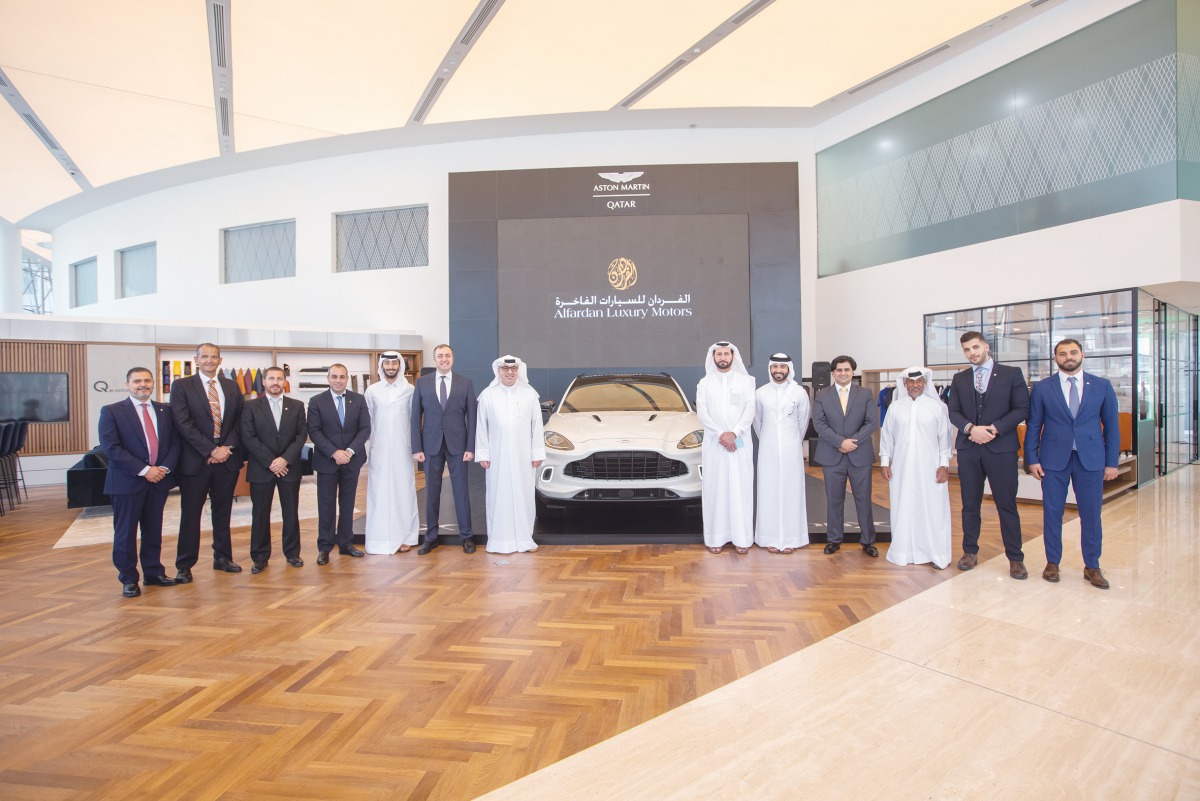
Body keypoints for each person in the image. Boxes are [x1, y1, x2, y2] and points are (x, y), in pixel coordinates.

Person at [1025, 338, 1120, 589]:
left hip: (1091, 459)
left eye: (1073, 352)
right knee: (1053, 513)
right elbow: (1034, 425)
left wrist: (1112, 462)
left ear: (1082, 355)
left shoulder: (1101, 386)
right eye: (1063, 353)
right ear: (1055, 358)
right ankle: (1052, 563)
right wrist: (1031, 458)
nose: (1069, 357)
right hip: (1053, 460)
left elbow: (1112, 427)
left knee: (1091, 515)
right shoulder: (1043, 387)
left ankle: (1092, 565)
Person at [947, 331, 1030, 579]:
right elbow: (954, 412)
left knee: (1007, 504)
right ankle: (969, 551)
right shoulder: (959, 378)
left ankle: (1015, 557)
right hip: (969, 448)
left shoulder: (1011, 373)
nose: (972, 352)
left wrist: (993, 429)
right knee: (969, 504)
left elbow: (1022, 408)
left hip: (1001, 448)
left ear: (986, 347)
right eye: (966, 350)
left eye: (975, 347)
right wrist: (972, 429)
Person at [98, 367, 181, 597]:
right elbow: (111, 448)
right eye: (137, 381)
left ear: (153, 383)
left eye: (146, 380)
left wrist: (162, 469)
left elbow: (175, 443)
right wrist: (145, 470)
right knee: (125, 533)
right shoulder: (112, 411)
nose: (142, 385)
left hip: (159, 481)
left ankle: (153, 572)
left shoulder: (166, 410)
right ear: (128, 384)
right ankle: (128, 579)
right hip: (127, 481)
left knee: (153, 530)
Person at [170, 342, 245, 581]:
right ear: (196, 359)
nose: (209, 360)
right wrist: (211, 450)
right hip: (196, 461)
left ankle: (222, 557)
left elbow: (239, 421)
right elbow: (183, 423)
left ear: (220, 361)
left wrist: (226, 448)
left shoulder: (232, 386)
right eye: (205, 357)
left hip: (227, 460)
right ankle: (185, 564)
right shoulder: (181, 386)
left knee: (222, 512)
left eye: (214, 357)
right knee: (191, 514)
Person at [879, 367, 954, 569]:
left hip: (930, 469)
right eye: (911, 382)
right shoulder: (895, 407)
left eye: (919, 382)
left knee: (932, 508)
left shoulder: (937, 407)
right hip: (901, 469)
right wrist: (885, 462)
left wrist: (944, 465)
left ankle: (934, 552)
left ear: (925, 383)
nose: (915, 385)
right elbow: (887, 438)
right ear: (904, 384)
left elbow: (944, 440)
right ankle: (904, 552)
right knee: (903, 506)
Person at [475, 355, 545, 554]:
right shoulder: (487, 395)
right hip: (497, 457)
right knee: (498, 495)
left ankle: (524, 540)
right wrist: (483, 454)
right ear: (498, 370)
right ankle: (499, 541)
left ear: (518, 370)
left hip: (524, 457)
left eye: (513, 368)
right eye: (505, 369)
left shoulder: (530, 394)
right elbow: (481, 427)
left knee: (523, 496)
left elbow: (537, 426)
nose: (509, 372)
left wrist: (537, 452)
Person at [240, 366, 307, 573]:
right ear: (264, 381)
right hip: (262, 468)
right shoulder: (251, 406)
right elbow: (248, 437)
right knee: (260, 514)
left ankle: (292, 553)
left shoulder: (296, 406)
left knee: (290, 512)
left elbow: (301, 435)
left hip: (289, 469)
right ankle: (260, 557)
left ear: (285, 381)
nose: (275, 382)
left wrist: (285, 459)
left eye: (279, 378)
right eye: (271, 378)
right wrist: (272, 462)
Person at [412, 344, 478, 555]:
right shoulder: (422, 383)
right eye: (440, 356)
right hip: (430, 445)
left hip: (458, 445)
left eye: (447, 355)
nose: (444, 359)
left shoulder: (465, 383)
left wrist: (471, 447)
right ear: (435, 359)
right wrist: (416, 447)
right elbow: (415, 417)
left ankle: (466, 536)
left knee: (460, 491)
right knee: (431, 491)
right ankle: (430, 537)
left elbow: (473, 417)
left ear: (453, 358)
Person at [812, 355, 879, 556]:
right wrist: (840, 442)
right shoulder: (822, 395)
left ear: (852, 372)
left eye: (847, 370)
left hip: (860, 455)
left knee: (864, 500)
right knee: (833, 500)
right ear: (833, 373)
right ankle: (834, 540)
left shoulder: (865, 393)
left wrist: (852, 442)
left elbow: (872, 422)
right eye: (839, 370)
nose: (843, 373)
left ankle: (868, 541)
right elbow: (819, 423)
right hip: (832, 456)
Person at [696, 341, 756, 555]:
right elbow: (702, 412)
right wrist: (720, 434)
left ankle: (742, 538)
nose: (723, 357)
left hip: (739, 442)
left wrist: (735, 433)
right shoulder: (705, 383)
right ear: (713, 357)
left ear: (733, 356)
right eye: (719, 354)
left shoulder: (746, 381)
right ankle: (716, 538)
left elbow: (750, 409)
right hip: (715, 443)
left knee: (740, 489)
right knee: (716, 488)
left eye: (726, 354)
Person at [308, 363, 370, 564]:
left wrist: (350, 452)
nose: (338, 380)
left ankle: (346, 544)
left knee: (348, 504)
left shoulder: (358, 400)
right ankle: (324, 547)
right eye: (334, 376)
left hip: (352, 461)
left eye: (342, 377)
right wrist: (334, 452)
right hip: (327, 462)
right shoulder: (316, 401)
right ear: (328, 378)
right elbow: (314, 431)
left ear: (346, 378)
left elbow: (365, 429)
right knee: (326, 506)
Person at [753, 352, 810, 553]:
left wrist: (791, 442)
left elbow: (803, 422)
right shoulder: (761, 393)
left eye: (782, 367)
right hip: (767, 450)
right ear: (770, 369)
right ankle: (769, 537)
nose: (778, 371)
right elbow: (757, 423)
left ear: (789, 369)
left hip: (791, 450)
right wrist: (769, 441)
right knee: (768, 492)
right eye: (775, 367)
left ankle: (792, 539)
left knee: (791, 492)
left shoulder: (799, 392)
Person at [364, 351, 420, 554]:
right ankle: (378, 537)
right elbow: (367, 422)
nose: (390, 366)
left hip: (402, 450)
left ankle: (405, 536)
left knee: (403, 491)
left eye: (394, 363)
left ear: (400, 366)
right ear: (382, 366)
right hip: (378, 450)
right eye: (386, 363)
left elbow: (415, 421)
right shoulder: (372, 391)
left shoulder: (410, 390)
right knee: (379, 492)